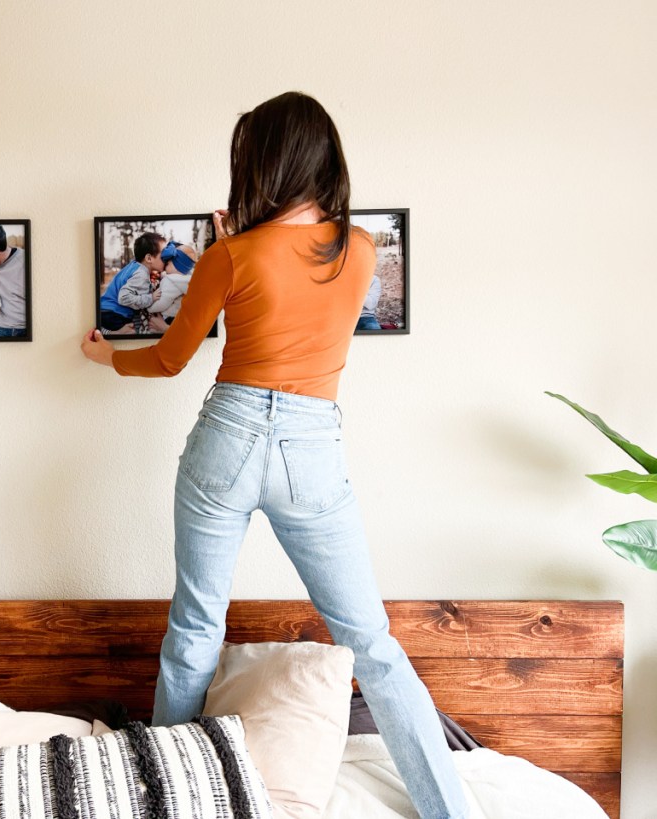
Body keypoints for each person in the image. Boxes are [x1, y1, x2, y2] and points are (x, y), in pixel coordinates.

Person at [80, 91, 470, 819]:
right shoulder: (361, 250)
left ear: (261, 162)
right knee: (372, 643)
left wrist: (106, 360)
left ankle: (170, 799)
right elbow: (297, 276)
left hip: (227, 435)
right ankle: (455, 812)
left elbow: (169, 360)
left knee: (195, 628)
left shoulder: (231, 255)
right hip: (310, 445)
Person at [97, 232, 166, 333]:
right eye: (163, 256)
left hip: (106, 311)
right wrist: (150, 298)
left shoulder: (134, 266)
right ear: (149, 258)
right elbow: (123, 298)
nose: (166, 258)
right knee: (131, 332)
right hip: (113, 314)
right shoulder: (141, 274)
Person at [149, 241, 198, 324]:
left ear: (176, 265)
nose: (165, 267)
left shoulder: (172, 282)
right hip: (184, 317)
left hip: (171, 319)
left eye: (167, 264)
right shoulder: (190, 277)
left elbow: (162, 303)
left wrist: (149, 308)